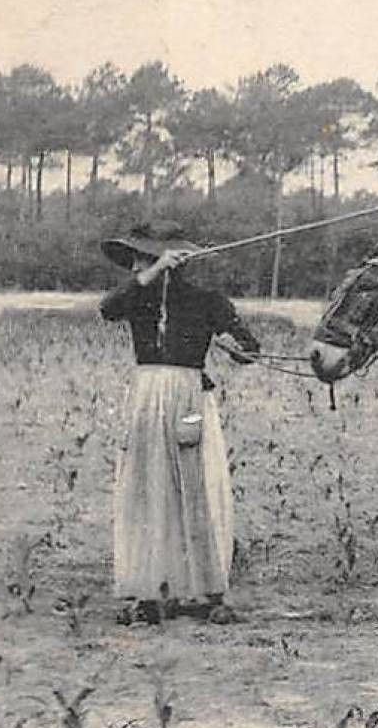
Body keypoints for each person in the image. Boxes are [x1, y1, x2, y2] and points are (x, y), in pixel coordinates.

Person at [99, 222, 260, 625]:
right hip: (147, 397)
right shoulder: (136, 298)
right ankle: (149, 593)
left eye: (140, 258)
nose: (134, 267)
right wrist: (152, 272)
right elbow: (107, 308)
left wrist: (239, 349)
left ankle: (207, 592)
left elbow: (250, 346)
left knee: (197, 484)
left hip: (191, 398)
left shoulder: (205, 301)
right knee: (147, 486)